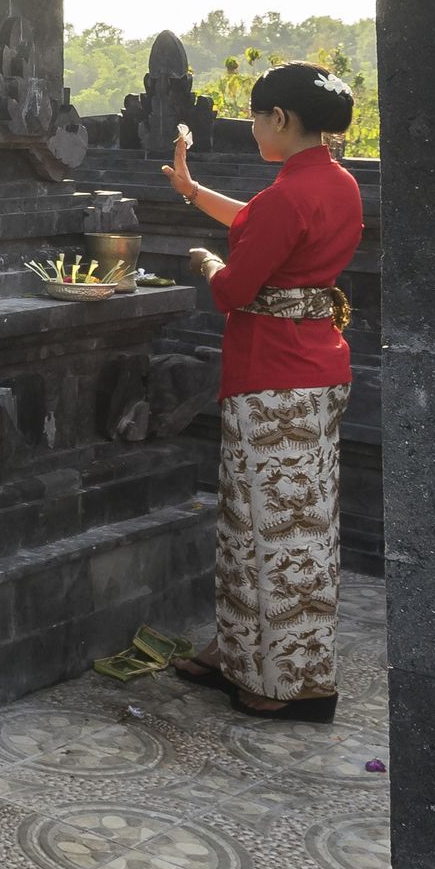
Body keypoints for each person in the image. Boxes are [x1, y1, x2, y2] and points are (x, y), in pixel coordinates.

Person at [161, 61, 364, 720]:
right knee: (264, 523)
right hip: (314, 369)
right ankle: (241, 652)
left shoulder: (289, 195)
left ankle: (290, 684)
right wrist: (192, 190)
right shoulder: (336, 183)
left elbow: (233, 289)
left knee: (278, 534)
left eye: (255, 118)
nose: (252, 130)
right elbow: (258, 222)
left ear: (280, 118)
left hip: (275, 378)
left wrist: (209, 263)